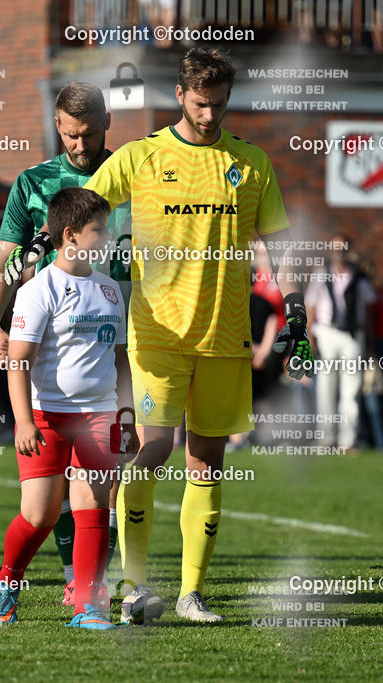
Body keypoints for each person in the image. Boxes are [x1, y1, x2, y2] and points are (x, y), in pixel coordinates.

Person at [83, 47, 311, 623]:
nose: (210, 116)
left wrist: (298, 311)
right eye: (201, 104)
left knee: (207, 461)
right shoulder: (141, 156)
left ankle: (190, 594)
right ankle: (132, 584)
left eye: (220, 104)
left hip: (226, 335)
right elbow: (83, 206)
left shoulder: (252, 164)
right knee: (151, 451)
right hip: (157, 333)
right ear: (181, 96)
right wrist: (44, 252)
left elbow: (281, 247)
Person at [0, 81, 132, 604]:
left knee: (98, 494)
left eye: (88, 134)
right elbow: (4, 264)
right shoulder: (33, 183)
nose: (78, 145)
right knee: (43, 509)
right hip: (47, 349)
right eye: (69, 134)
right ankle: (16, 580)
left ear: (107, 123)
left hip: (116, 344)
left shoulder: (134, 178)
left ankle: (89, 595)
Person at [305, 237, 375, 452]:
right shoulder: (321, 274)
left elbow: (368, 310)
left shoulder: (360, 277)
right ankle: (326, 440)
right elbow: (311, 307)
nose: (338, 254)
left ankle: (347, 441)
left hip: (353, 335)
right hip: (326, 332)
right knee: (325, 388)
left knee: (350, 390)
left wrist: (369, 345)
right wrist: (309, 337)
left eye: (342, 249)